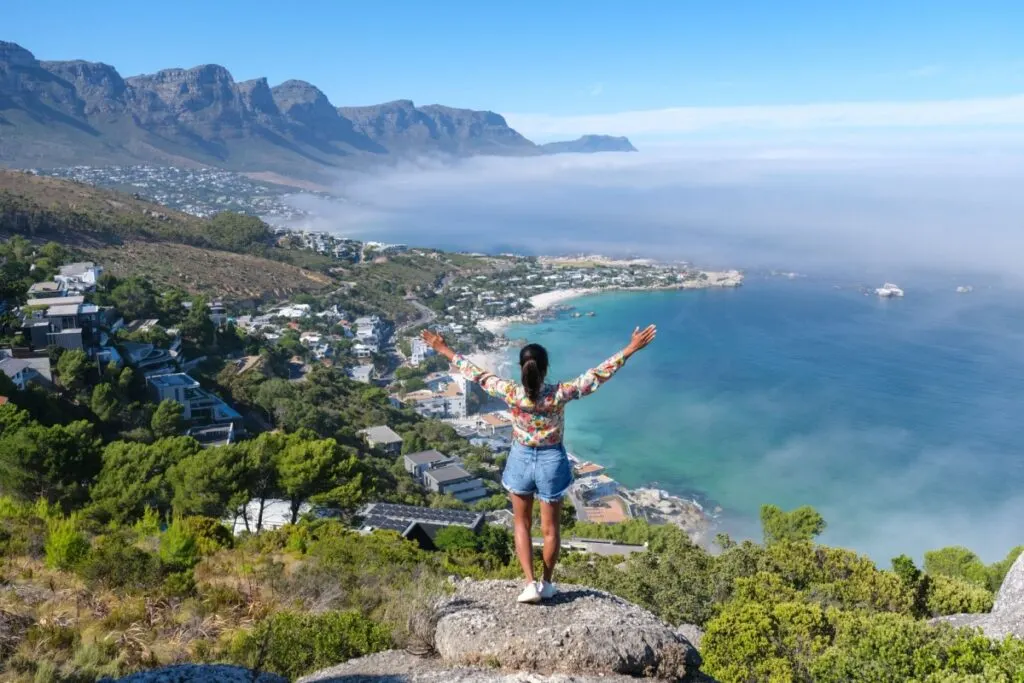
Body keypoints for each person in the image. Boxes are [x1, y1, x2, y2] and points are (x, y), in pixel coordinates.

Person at [421, 324, 657, 604]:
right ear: (545, 369)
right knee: (551, 530)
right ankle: (546, 583)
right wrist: (630, 349)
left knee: (521, 524)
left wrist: (443, 348)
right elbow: (596, 376)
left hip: (521, 458)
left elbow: (477, 373)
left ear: (522, 368)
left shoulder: (511, 392)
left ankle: (529, 584)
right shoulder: (558, 394)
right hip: (551, 461)